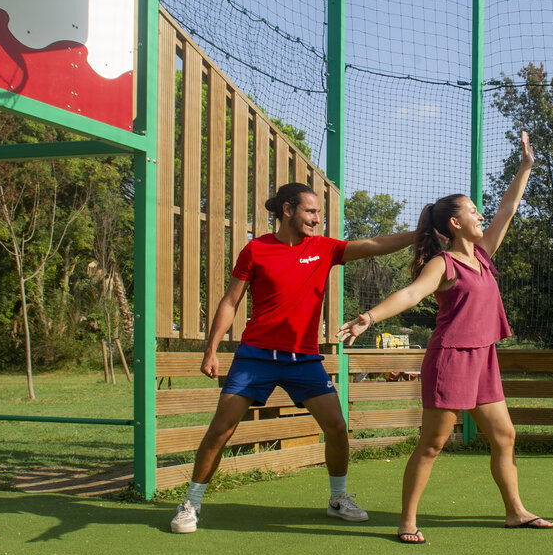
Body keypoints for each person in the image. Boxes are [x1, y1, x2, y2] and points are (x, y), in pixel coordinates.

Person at [337, 131, 553, 544]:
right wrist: (369, 316)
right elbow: (412, 293)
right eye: (472, 211)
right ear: (455, 224)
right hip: (451, 359)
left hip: (484, 358)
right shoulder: (444, 263)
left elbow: (507, 209)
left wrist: (524, 167)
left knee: (505, 436)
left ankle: (515, 511)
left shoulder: (483, 253)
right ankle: (407, 521)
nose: (479, 216)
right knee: (433, 444)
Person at [170, 182, 416, 534]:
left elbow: (374, 244)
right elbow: (230, 302)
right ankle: (191, 503)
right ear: (287, 210)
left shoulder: (324, 249)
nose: (317, 219)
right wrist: (211, 349)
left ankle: (338, 498)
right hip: (255, 356)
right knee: (221, 428)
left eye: (318, 213)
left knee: (336, 425)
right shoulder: (255, 250)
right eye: (311, 212)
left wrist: (419, 233)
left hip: (304, 359)